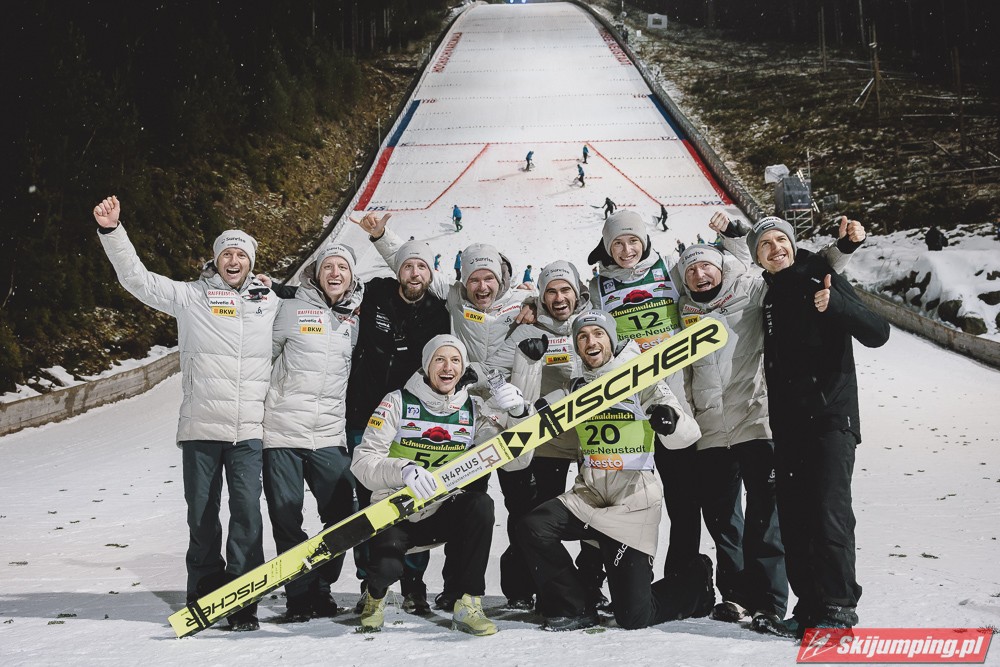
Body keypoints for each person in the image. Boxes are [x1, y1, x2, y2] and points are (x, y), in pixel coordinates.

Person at [92, 195, 278, 632]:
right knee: (202, 516)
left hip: (248, 432)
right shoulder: (192, 297)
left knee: (248, 516)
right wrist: (112, 232)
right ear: (215, 260)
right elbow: (138, 280)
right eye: (227, 254)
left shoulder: (269, 301)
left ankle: (243, 598)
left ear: (252, 263)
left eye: (241, 255)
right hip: (201, 428)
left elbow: (316, 303)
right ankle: (205, 593)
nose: (234, 261)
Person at [680, 211, 866, 636]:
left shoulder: (750, 288)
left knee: (783, 516)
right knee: (734, 519)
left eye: (706, 265)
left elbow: (804, 265)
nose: (700, 274)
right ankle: (747, 597)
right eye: (690, 270)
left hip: (759, 418)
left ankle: (784, 601)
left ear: (724, 267)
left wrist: (845, 248)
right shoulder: (682, 309)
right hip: (717, 425)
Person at [517, 310, 713, 631]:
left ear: (611, 339)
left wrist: (671, 421)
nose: (590, 341)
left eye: (598, 334)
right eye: (582, 337)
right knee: (534, 526)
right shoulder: (575, 386)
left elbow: (688, 433)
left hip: (632, 502)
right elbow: (533, 418)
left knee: (634, 616)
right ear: (577, 347)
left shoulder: (642, 377)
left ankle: (696, 583)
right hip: (589, 497)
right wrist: (528, 394)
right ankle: (576, 605)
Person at [747, 216, 890, 637]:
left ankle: (838, 609)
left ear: (793, 245)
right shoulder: (769, 294)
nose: (776, 248)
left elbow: (878, 332)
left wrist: (837, 304)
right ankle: (809, 606)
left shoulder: (820, 276)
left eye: (781, 240)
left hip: (830, 418)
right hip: (788, 426)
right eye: (765, 245)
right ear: (758, 257)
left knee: (829, 513)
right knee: (795, 518)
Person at [350, 335, 533, 635]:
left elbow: (514, 462)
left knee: (480, 505)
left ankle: (469, 603)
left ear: (463, 368)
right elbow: (362, 461)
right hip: (398, 509)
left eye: (455, 361)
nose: (448, 368)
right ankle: (375, 595)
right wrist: (403, 470)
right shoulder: (397, 401)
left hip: (440, 509)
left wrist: (519, 414)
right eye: (440, 360)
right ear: (426, 365)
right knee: (388, 569)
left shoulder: (473, 408)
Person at [585, 210, 700, 582]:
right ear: (607, 247)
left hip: (672, 401)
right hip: (627, 411)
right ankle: (622, 581)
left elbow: (715, 276)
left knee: (684, 500)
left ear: (646, 241)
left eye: (633, 240)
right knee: (623, 500)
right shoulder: (598, 286)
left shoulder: (669, 270)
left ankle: (682, 579)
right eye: (617, 243)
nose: (626, 250)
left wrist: (732, 236)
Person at [344, 239, 451, 614]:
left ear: (430, 274)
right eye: (408, 266)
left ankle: (413, 582)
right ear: (398, 270)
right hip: (365, 412)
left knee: (415, 499)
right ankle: (370, 581)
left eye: (422, 267)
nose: (414, 273)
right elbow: (333, 288)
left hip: (412, 416)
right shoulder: (376, 292)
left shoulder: (439, 312)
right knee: (366, 500)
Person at [483, 261, 596, 611]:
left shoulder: (593, 323)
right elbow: (492, 372)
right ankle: (524, 585)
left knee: (598, 514)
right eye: (551, 291)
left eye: (565, 290)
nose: (559, 298)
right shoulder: (527, 329)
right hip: (546, 440)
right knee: (533, 517)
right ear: (542, 296)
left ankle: (590, 584)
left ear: (578, 292)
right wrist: (510, 396)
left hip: (590, 438)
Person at [262, 243, 363, 622]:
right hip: (282, 433)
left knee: (344, 515)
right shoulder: (288, 309)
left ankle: (320, 585)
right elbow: (262, 359)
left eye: (343, 267)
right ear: (316, 273)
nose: (335, 273)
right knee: (286, 517)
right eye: (328, 267)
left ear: (352, 276)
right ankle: (299, 597)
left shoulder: (355, 317)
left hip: (328, 435)